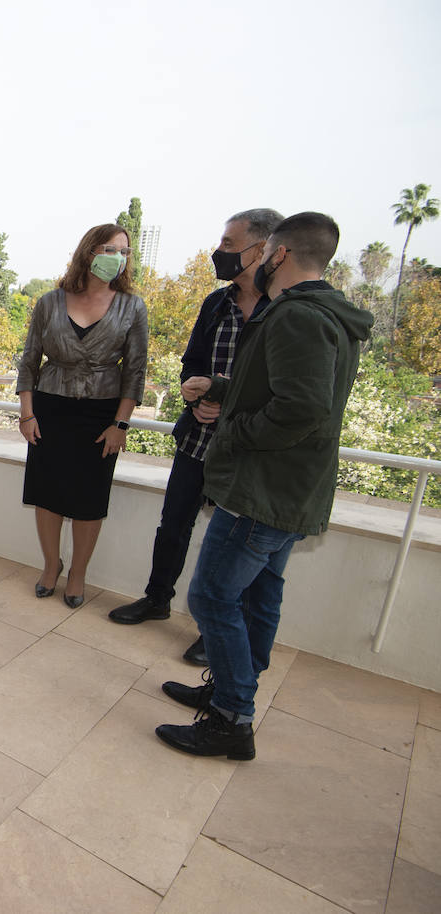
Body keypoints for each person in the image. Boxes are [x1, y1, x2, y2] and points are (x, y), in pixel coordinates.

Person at [156, 212, 373, 760]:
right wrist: (221, 387)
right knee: (258, 595)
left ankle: (232, 717)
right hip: (289, 490)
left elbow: (300, 408)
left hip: (263, 489)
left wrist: (234, 431)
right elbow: (283, 389)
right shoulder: (326, 314)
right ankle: (231, 691)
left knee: (211, 596)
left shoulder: (298, 316)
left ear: (278, 254)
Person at [108, 209, 283, 668]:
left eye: (228, 244)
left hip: (246, 450)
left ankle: (216, 631)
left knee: (230, 544)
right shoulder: (216, 304)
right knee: (173, 525)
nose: (218, 252)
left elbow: (278, 390)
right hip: (198, 440)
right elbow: (193, 364)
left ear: (262, 249)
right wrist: (194, 395)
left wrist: (226, 402)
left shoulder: (283, 312)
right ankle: (157, 599)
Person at [16, 224, 148, 609]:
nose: (117, 257)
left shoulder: (132, 307)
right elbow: (29, 360)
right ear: (89, 252)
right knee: (47, 494)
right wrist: (27, 414)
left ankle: (77, 573)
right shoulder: (50, 302)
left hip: (101, 414)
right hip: (50, 408)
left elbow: (135, 371)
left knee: (89, 499)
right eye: (110, 248)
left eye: (124, 252)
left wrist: (120, 424)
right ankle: (51, 565)